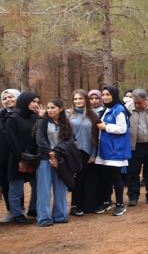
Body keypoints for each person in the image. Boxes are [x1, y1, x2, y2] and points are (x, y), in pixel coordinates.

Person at [34, 98, 74, 227]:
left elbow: (68, 141)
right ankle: (44, 218)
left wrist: (57, 153)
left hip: (61, 159)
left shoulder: (66, 123)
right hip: (45, 159)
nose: (50, 110)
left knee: (60, 188)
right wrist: (51, 153)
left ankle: (60, 215)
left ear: (61, 109)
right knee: (44, 189)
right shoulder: (42, 122)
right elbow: (40, 140)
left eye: (53, 108)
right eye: (49, 108)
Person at [3, 92, 42, 224]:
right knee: (16, 187)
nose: (35, 104)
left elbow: (37, 137)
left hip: (33, 157)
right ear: (25, 101)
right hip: (16, 158)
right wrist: (21, 159)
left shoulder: (35, 117)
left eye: (37, 101)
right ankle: (17, 214)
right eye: (33, 101)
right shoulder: (12, 119)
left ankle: (33, 209)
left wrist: (42, 117)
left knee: (37, 184)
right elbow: (12, 142)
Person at [95, 86, 131, 216]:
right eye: (103, 95)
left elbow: (122, 129)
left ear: (114, 95)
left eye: (108, 94)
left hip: (116, 150)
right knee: (106, 177)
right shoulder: (106, 110)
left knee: (116, 177)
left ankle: (120, 203)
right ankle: (107, 201)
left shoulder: (119, 110)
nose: (105, 97)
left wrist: (105, 127)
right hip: (104, 149)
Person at [67, 90, 99, 217]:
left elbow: (96, 136)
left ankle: (88, 205)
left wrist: (93, 154)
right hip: (74, 152)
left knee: (89, 178)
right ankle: (75, 206)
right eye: (75, 99)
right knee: (77, 179)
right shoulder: (68, 115)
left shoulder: (93, 115)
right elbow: (64, 132)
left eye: (80, 99)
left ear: (85, 100)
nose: (77, 101)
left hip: (88, 151)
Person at [0, 88, 20, 222]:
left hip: (19, 154)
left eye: (11, 97)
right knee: (5, 182)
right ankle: (10, 211)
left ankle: (24, 209)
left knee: (17, 182)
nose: (8, 100)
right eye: (5, 98)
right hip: (2, 155)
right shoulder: (1, 115)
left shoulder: (25, 113)